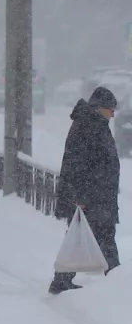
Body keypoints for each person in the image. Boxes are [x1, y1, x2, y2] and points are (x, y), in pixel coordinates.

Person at [51, 85, 121, 294]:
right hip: (91, 195)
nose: (113, 114)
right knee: (100, 236)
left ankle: (62, 279)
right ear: (101, 108)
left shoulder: (92, 123)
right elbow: (77, 163)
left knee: (87, 236)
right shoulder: (89, 125)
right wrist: (79, 195)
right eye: (111, 109)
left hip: (95, 194)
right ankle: (118, 282)